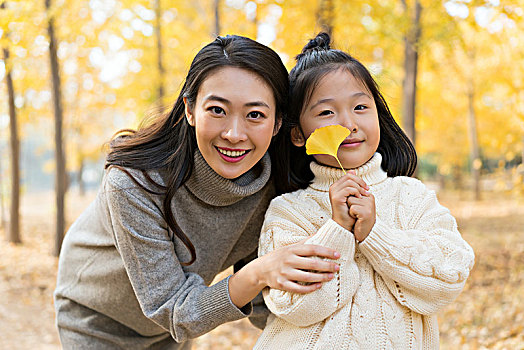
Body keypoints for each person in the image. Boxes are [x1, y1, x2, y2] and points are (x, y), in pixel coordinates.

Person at [54, 35, 341, 350]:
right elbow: (175, 309)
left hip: (175, 327)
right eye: (217, 110)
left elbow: (265, 306)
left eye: (255, 115)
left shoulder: (272, 188)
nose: (234, 134)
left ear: (277, 124)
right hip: (96, 321)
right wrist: (258, 274)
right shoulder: (135, 183)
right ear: (190, 110)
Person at [255, 32, 475, 349]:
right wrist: (337, 229)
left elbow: (449, 277)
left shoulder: (411, 197)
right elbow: (295, 305)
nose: (349, 123)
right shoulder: (288, 212)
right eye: (327, 113)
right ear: (298, 135)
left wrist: (375, 233)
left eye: (360, 107)